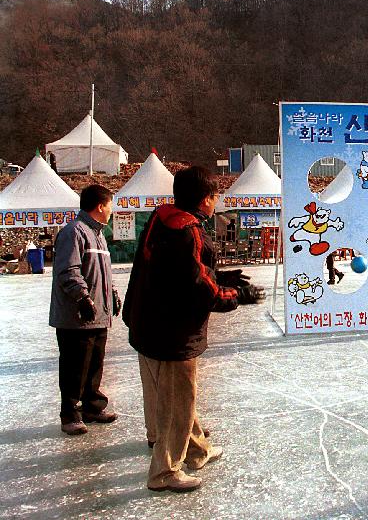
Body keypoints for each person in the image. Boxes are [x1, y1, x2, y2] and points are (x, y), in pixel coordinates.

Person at [124, 166, 241, 493]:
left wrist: (220, 278)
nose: (216, 201)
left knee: (179, 398)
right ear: (206, 200)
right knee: (177, 402)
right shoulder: (187, 231)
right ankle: (163, 473)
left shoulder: (160, 218)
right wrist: (233, 295)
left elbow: (172, 272)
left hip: (146, 324)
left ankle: (197, 450)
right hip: (171, 333)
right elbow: (199, 286)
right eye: (216, 196)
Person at [49, 184, 120, 436]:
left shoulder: (98, 234)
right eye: (110, 205)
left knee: (94, 364)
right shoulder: (74, 232)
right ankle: (70, 413)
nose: (112, 210)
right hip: (76, 317)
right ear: (100, 206)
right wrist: (82, 297)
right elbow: (68, 271)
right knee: (74, 366)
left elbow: (103, 271)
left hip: (98, 315)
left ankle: (92, 405)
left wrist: (112, 293)